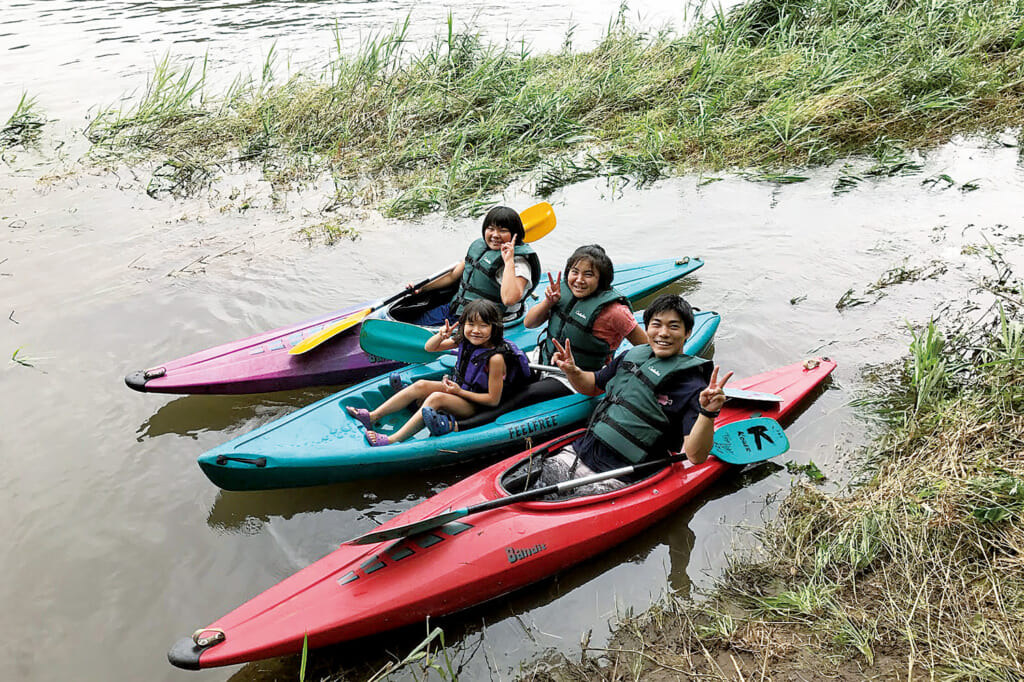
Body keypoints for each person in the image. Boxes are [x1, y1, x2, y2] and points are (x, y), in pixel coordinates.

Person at [536, 294, 733, 495]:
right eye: (657, 324)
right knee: (538, 482)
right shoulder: (632, 355)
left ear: (687, 333)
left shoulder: (693, 386)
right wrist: (573, 371)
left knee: (566, 503)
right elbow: (593, 386)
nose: (663, 333)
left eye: (674, 326)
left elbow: (695, 456)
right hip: (582, 451)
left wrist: (708, 413)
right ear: (647, 328)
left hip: (623, 474)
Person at [346, 300, 532, 446]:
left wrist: (458, 392)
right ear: (463, 324)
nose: (476, 330)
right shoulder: (465, 340)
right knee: (421, 385)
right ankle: (372, 416)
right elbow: (430, 348)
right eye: (471, 324)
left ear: (494, 328)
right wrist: (441, 336)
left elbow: (493, 400)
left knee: (436, 398)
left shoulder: (496, 359)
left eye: (483, 326)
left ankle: (393, 439)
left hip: (475, 406)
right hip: (459, 390)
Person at [407, 206, 542, 325]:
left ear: (514, 235)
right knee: (414, 324)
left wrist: (508, 262)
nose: (495, 235)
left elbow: (509, 299)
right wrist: (421, 288)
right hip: (457, 308)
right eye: (491, 229)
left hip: (484, 323)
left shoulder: (519, 264)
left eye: (503, 230)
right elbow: (453, 276)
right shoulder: (481, 248)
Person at [526, 244, 648, 371]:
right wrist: (548, 302)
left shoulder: (615, 312)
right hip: (544, 358)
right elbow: (529, 323)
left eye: (588, 274)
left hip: (578, 376)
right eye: (575, 272)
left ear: (601, 279)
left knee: (525, 392)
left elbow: (647, 348)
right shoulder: (559, 293)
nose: (579, 280)